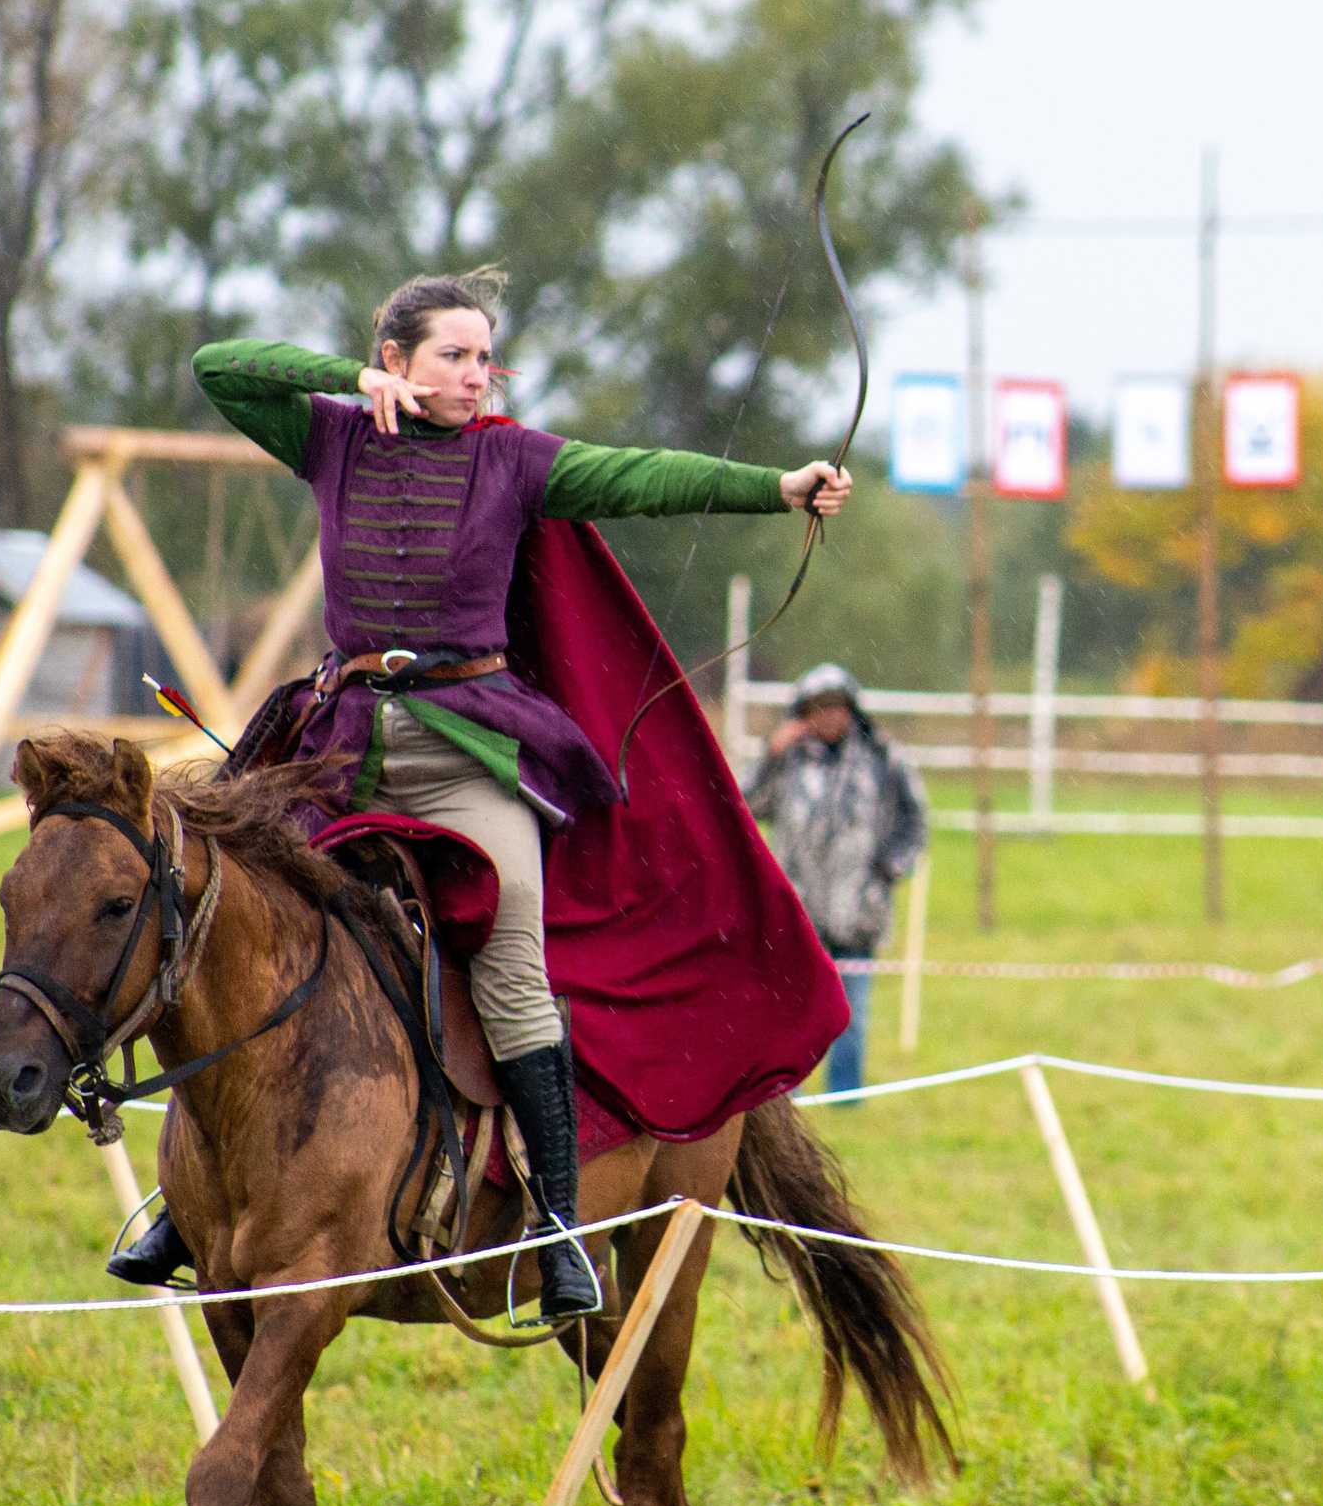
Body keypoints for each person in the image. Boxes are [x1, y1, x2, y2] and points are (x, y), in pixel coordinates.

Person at [106, 267, 852, 1319]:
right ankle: (187, 1202)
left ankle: (554, 1224)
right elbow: (218, 369)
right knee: (232, 919)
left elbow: (638, 474)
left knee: (509, 961)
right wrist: (348, 378)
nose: (477, 375)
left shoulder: (513, 459)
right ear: (398, 359)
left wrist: (776, 487)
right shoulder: (331, 438)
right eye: (453, 355)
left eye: (485, 356)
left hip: (470, 754)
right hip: (336, 750)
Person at [745, 664, 927, 1097]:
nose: (829, 716)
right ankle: (787, 1101)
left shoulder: (883, 760)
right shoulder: (787, 761)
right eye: (818, 707)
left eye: (837, 706)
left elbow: (914, 822)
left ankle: (845, 1096)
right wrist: (770, 756)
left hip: (857, 911)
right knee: (792, 1014)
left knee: (851, 1012)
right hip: (797, 912)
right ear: (802, 712)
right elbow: (744, 806)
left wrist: (886, 870)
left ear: (852, 710)